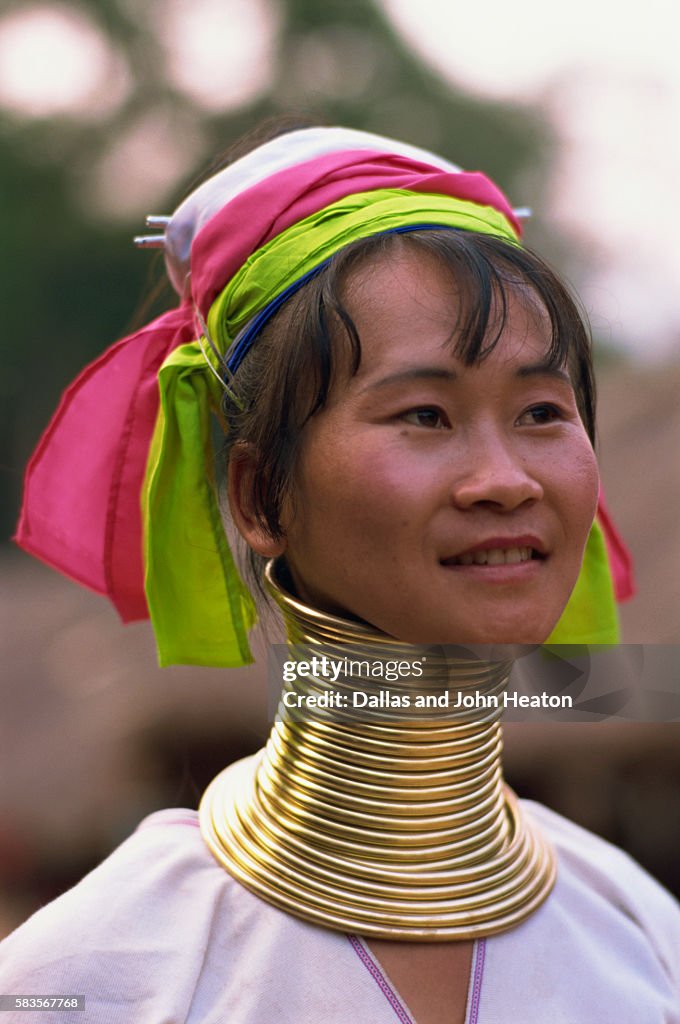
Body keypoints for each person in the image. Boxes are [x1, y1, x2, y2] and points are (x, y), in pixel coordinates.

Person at [2, 124, 678, 1023]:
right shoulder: (100, 975)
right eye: (427, 414)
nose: (507, 479)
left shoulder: (641, 936)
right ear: (259, 496)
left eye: (543, 411)